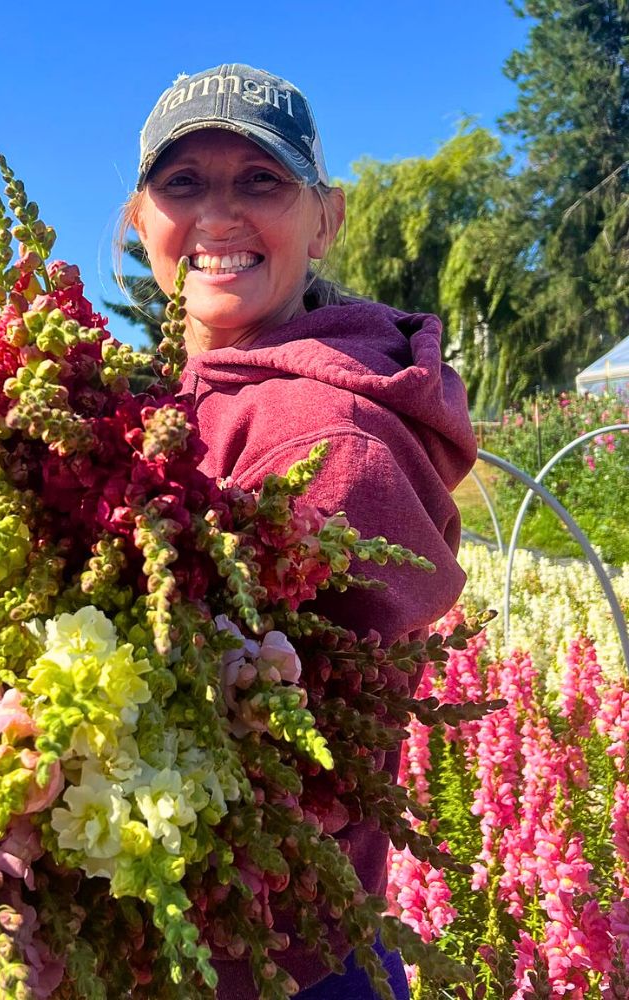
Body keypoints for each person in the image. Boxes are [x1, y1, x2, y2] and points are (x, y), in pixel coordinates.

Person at [117, 64, 478, 999]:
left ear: (328, 218)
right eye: (183, 184)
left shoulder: (332, 434)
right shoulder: (154, 395)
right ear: (138, 219)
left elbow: (261, 754)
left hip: (273, 966)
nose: (219, 216)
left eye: (261, 181)